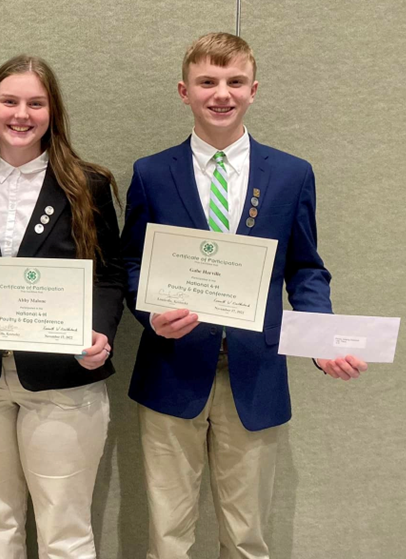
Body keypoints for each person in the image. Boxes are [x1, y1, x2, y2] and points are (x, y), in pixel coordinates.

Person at [119, 33, 369, 559]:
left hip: (254, 374)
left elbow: (305, 268)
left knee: (247, 537)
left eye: (234, 82)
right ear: (183, 91)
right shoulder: (150, 172)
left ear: (254, 89)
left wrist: (321, 338)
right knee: (166, 536)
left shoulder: (292, 174)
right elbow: (133, 263)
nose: (221, 93)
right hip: (172, 370)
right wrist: (149, 312)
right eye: (207, 81)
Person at [0, 55, 125, 559]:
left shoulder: (88, 185)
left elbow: (108, 275)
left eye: (36, 103)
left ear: (53, 111)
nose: (22, 114)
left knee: (65, 526)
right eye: (10, 101)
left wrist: (100, 335)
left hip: (63, 380)